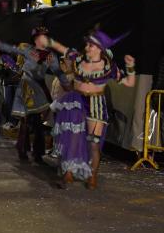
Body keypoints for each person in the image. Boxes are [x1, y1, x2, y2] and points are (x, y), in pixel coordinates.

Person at [46, 27, 135, 189]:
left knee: (93, 143)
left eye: (90, 46)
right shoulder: (79, 60)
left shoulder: (109, 67)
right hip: (77, 102)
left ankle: (92, 175)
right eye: (86, 45)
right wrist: (48, 41)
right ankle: (68, 174)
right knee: (73, 138)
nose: (86, 48)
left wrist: (131, 67)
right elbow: (62, 49)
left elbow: (129, 83)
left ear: (100, 48)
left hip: (96, 105)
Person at [0, 27, 61, 164]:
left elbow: (56, 70)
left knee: (38, 123)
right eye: (40, 37)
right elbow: (12, 53)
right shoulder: (27, 49)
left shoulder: (49, 55)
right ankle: (23, 150)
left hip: (39, 86)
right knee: (25, 121)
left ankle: (37, 153)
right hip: (26, 87)